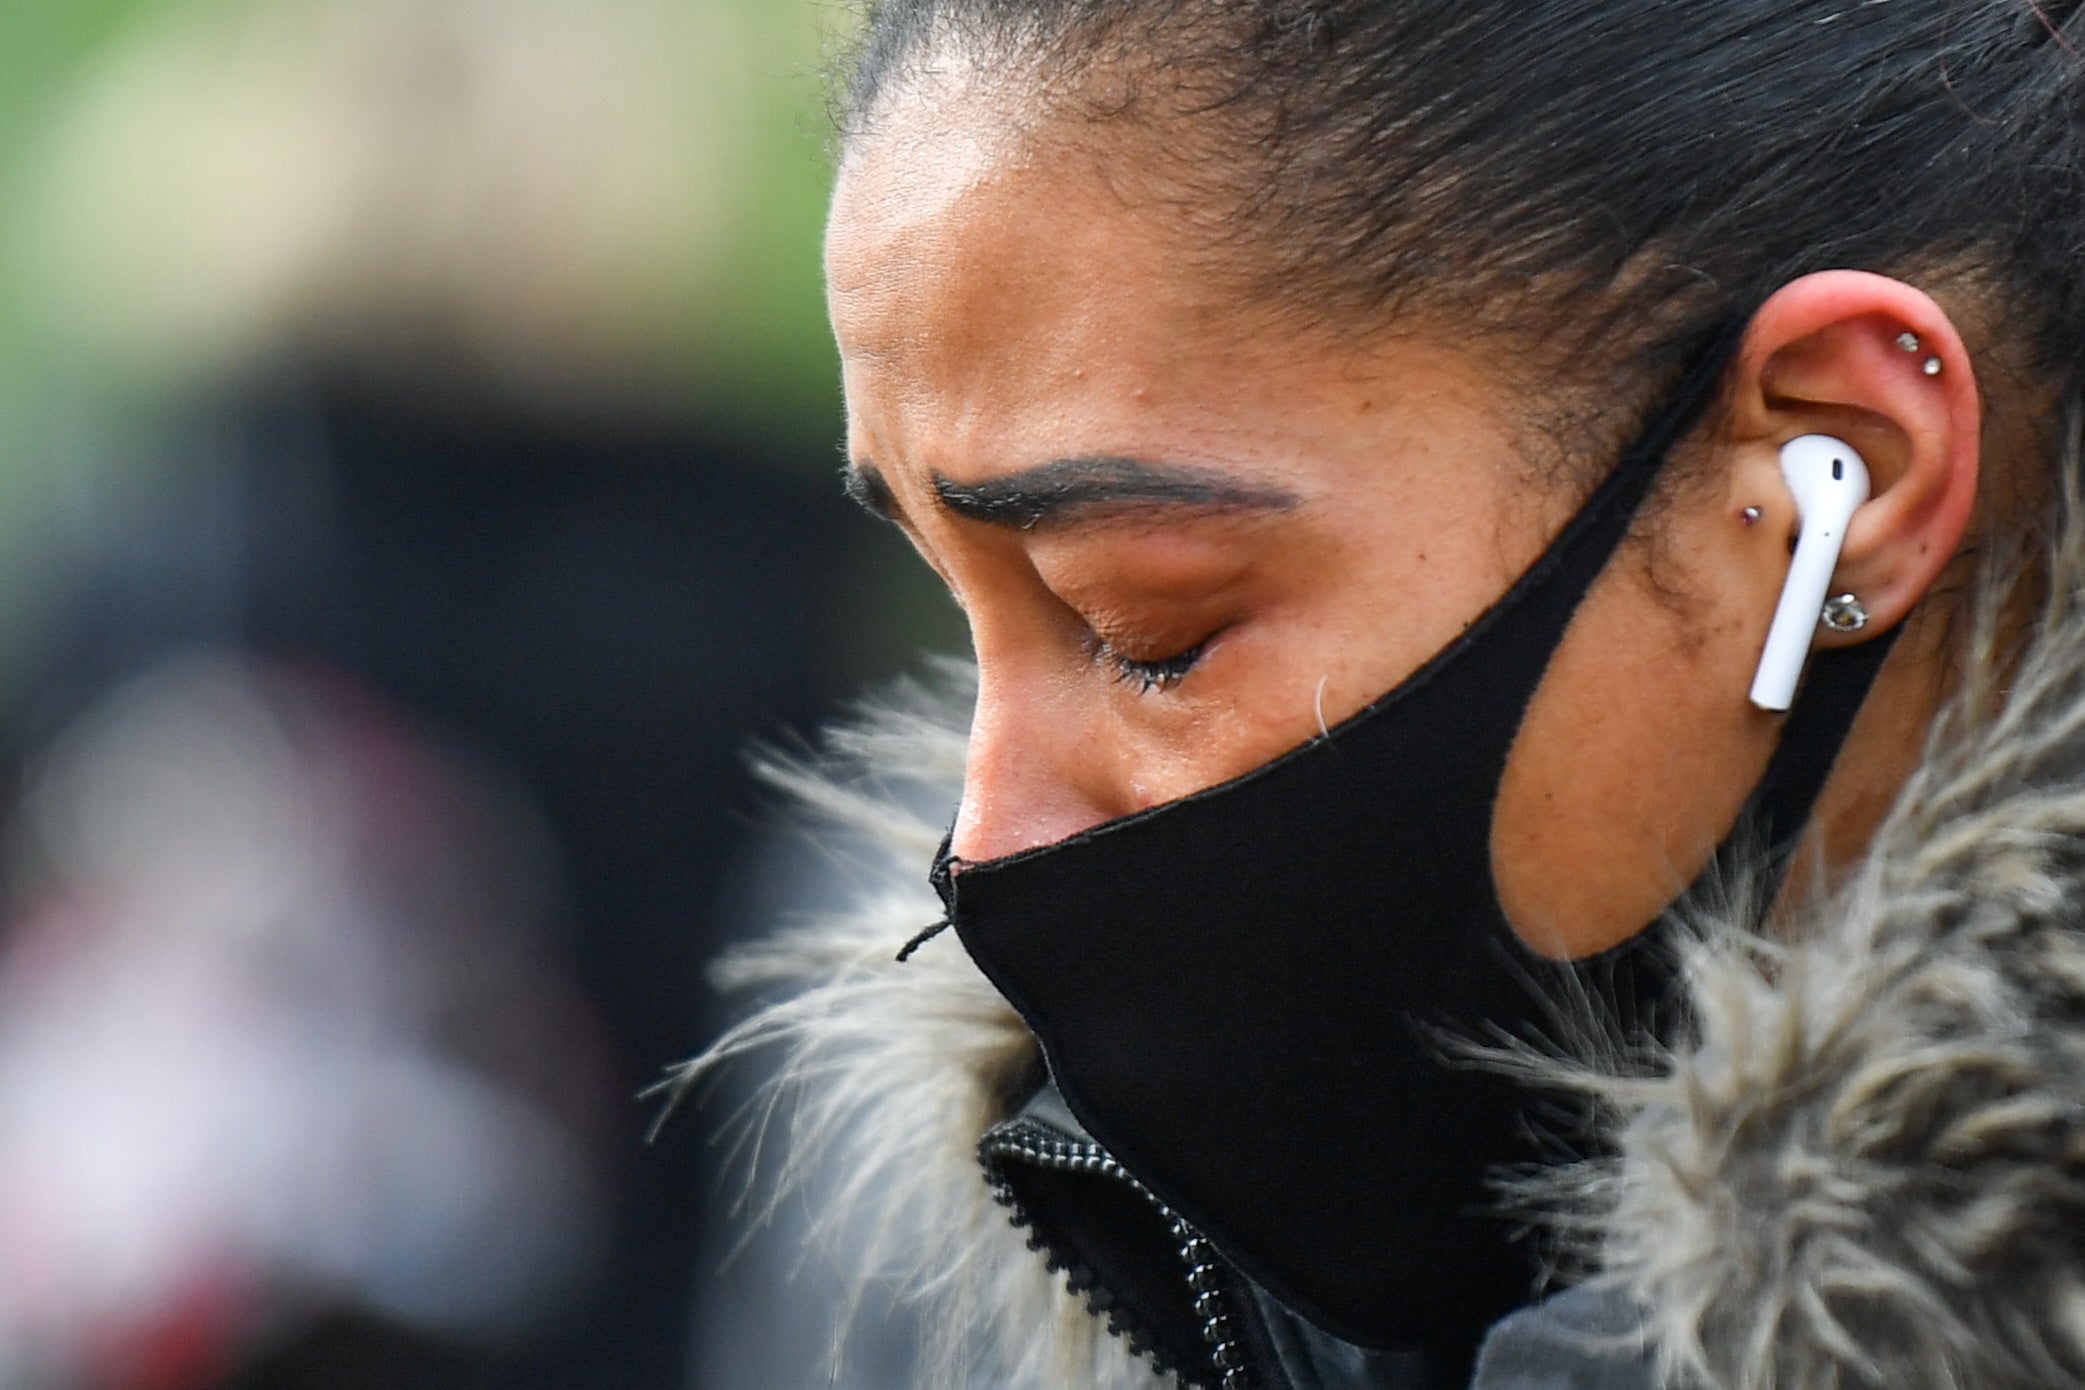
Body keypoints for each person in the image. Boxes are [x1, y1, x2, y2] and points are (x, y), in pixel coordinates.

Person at [688, 2, 2085, 1387]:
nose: (977, 846)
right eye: (961, 619)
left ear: (1832, 478)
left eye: (1148, 631)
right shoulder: (986, 1286)